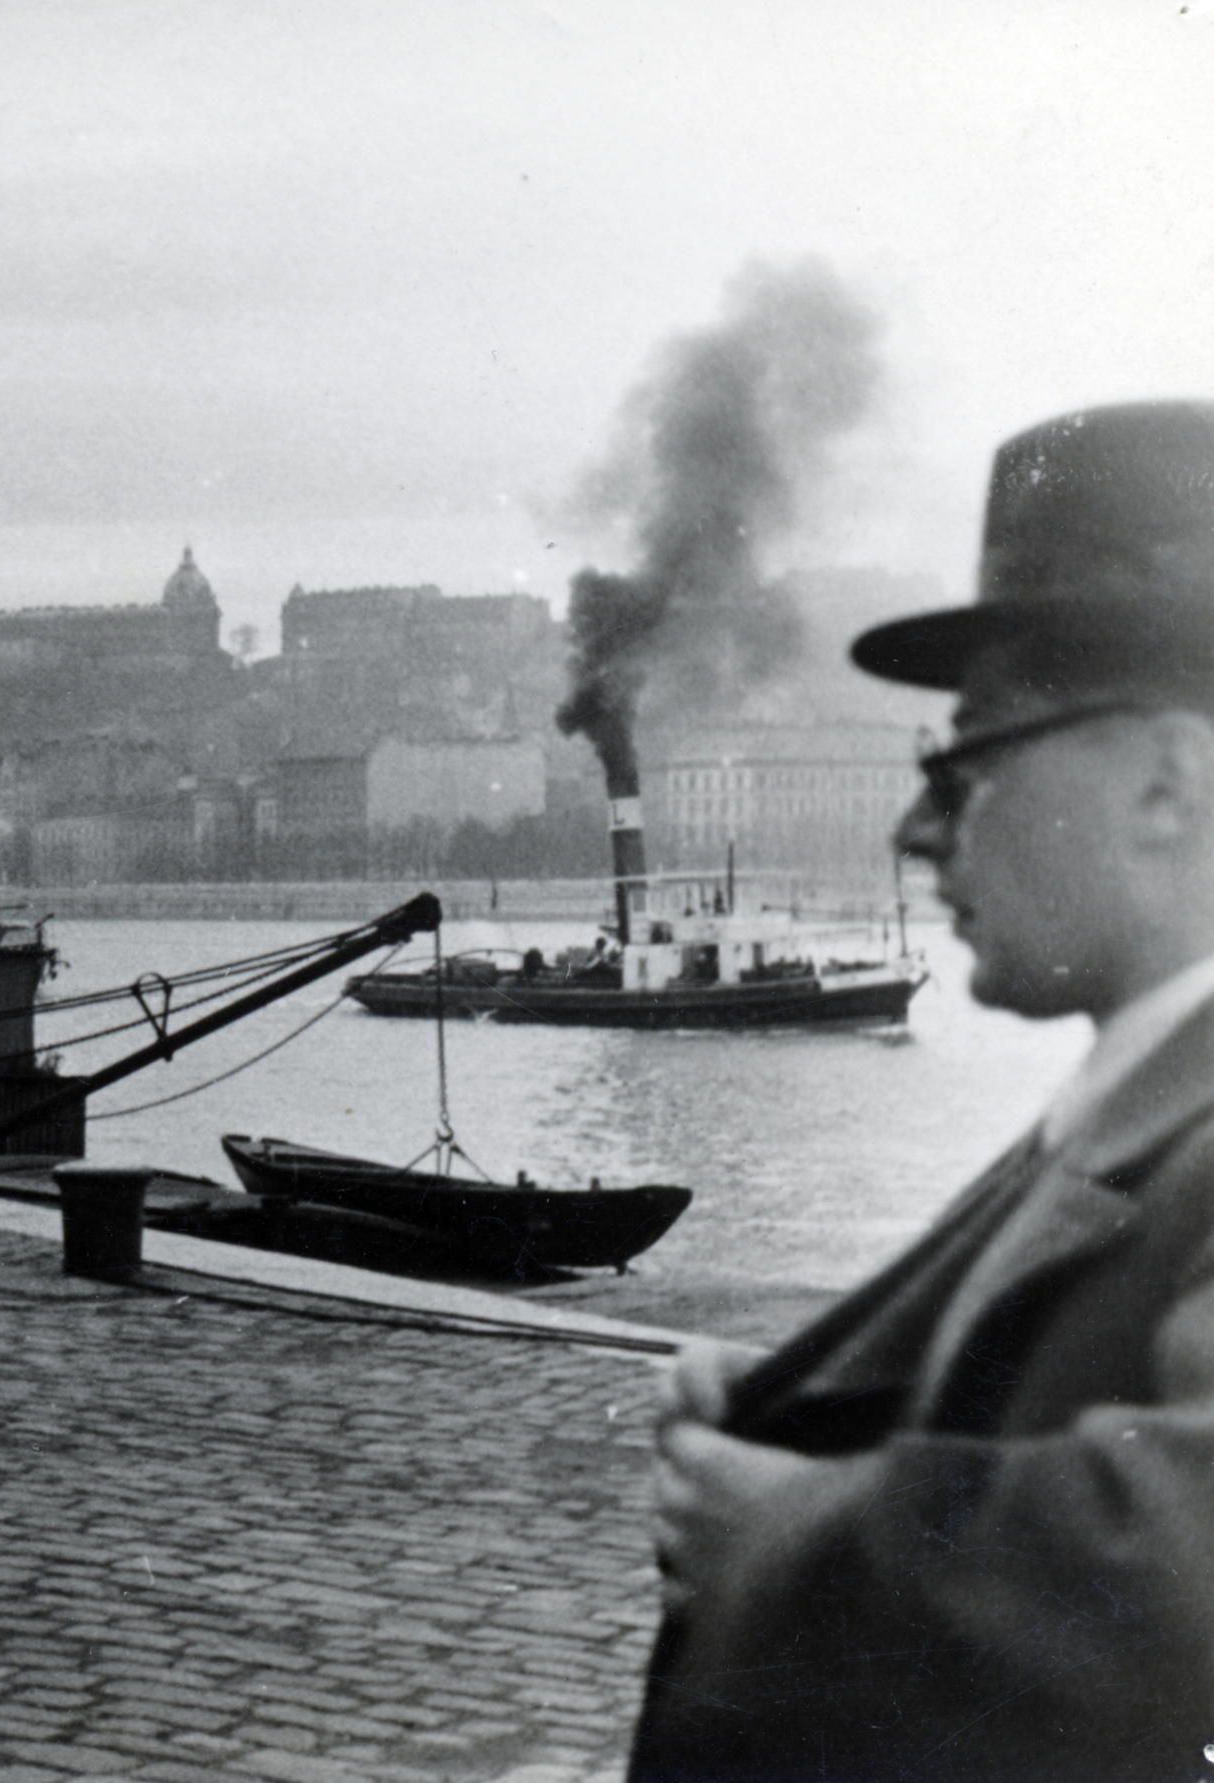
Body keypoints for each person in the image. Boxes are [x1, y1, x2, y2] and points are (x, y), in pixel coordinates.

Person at [629, 401, 1214, 1782]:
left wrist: (802, 1533)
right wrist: (810, 1404)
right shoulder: (1139, 1087)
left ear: (1169, 783)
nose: (916, 829)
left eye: (973, 757)